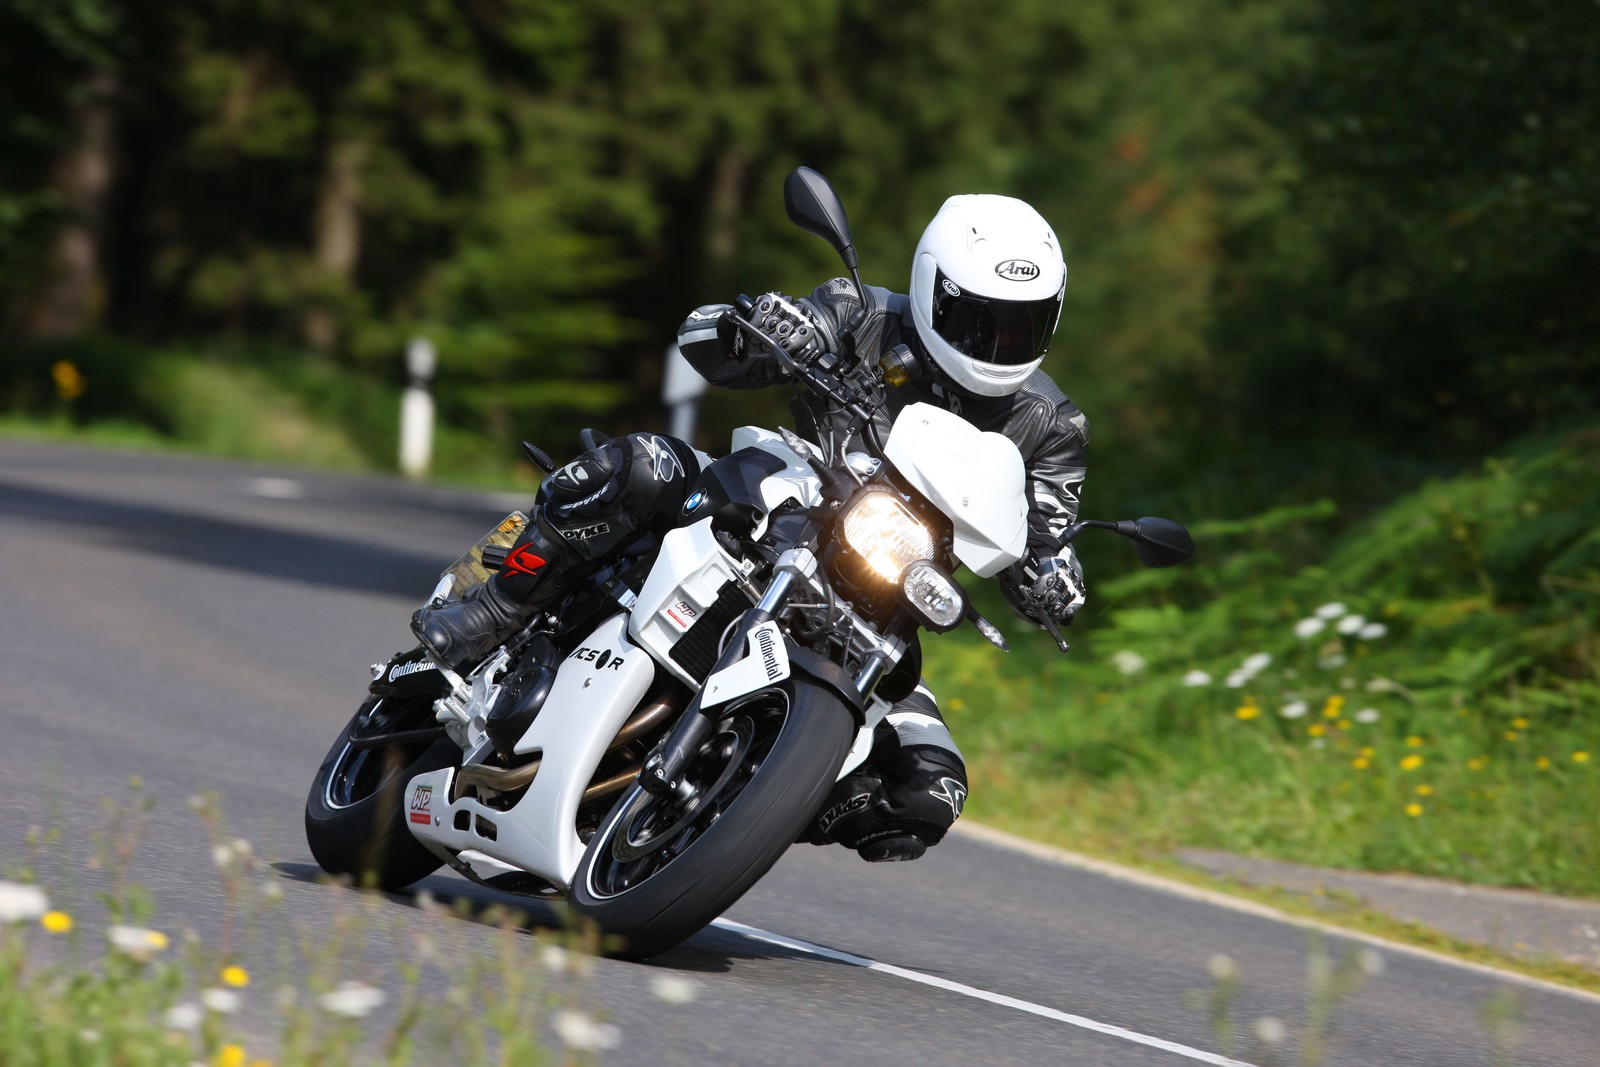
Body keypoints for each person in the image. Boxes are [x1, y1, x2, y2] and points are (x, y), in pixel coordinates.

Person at [412, 192, 1089, 863]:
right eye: (978, 321)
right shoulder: (860, 312)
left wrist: (1055, 576)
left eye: (1020, 327)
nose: (998, 344)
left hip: (880, 607)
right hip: (778, 505)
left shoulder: (1053, 426)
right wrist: (762, 325)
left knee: (931, 786)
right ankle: (497, 604)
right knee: (647, 466)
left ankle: (736, 806)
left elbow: (1048, 533)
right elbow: (707, 335)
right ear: (931, 289)